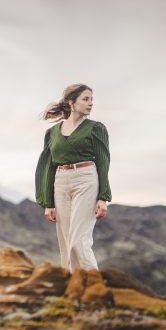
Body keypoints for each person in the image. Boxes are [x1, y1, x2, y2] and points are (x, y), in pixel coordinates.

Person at [34, 83, 111, 272]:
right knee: (66, 243)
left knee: (79, 240)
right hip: (60, 182)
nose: (91, 103)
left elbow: (103, 162)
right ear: (71, 102)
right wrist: (48, 202)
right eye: (86, 99)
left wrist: (103, 197)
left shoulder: (95, 128)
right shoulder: (52, 133)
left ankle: (94, 287)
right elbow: (47, 166)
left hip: (86, 179)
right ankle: (72, 288)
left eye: (92, 99)